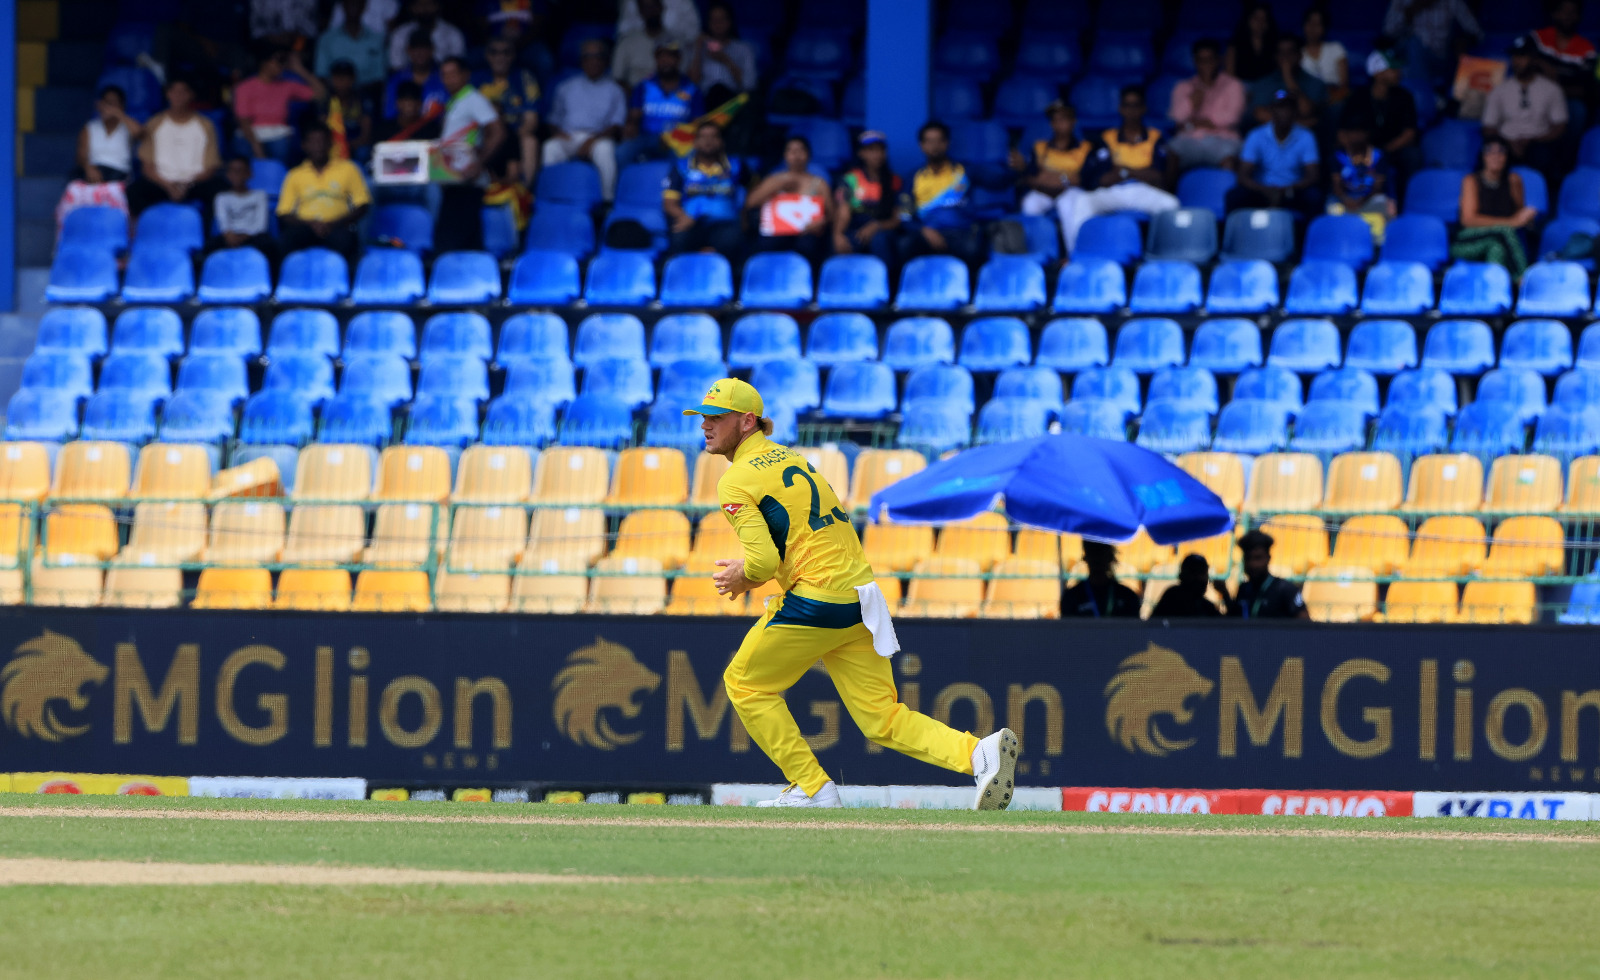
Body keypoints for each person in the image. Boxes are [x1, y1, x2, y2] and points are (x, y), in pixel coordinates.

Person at [685, 376, 1020, 810]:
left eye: (716, 417)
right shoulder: (793, 458)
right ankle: (978, 754)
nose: (705, 425)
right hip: (861, 598)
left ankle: (812, 788)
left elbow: (764, 562)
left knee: (745, 684)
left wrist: (742, 578)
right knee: (882, 718)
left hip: (816, 599)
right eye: (703, 417)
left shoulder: (735, 480)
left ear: (747, 421)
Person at [1062, 87, 1180, 252]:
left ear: (1143, 108)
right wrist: (1141, 171)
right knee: (1082, 201)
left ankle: (1164, 255)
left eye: (1136, 105)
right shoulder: (1108, 137)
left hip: (1142, 191)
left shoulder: (1155, 137)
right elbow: (1101, 179)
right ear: (1120, 108)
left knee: (1171, 205)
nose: (1131, 111)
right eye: (1127, 105)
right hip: (1114, 191)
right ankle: (1077, 252)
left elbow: (1158, 177)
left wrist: (1124, 171)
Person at [126, 78, 227, 220]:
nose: (178, 96)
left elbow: (210, 167)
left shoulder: (206, 125)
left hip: (193, 183)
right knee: (134, 191)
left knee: (220, 191)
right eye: (174, 91)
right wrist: (168, 186)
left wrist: (186, 185)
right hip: (162, 183)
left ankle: (204, 238)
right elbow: (147, 167)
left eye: (183, 92)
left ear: (192, 95)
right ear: (168, 94)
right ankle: (151, 231)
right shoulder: (155, 123)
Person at [434, 56, 505, 253]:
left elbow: (498, 131)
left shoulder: (473, 99)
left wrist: (478, 163)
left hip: (467, 182)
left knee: (450, 244)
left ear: (466, 75)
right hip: (454, 180)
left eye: (453, 74)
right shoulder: (455, 101)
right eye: (444, 75)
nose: (448, 79)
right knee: (467, 243)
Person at [543, 39, 627, 202]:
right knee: (550, 147)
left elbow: (616, 124)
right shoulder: (566, 87)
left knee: (605, 150)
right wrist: (556, 133)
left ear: (605, 60)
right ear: (581, 61)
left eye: (598, 56)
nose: (593, 61)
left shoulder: (615, 89)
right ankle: (550, 196)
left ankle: (607, 200)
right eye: (588, 57)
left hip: (598, 138)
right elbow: (553, 119)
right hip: (569, 136)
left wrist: (592, 141)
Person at [276, 122, 370, 259]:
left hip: (337, 226)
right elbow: (283, 213)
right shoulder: (294, 174)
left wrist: (333, 223)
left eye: (322, 141)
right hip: (306, 227)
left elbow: (362, 205)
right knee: (285, 241)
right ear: (304, 145)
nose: (318, 146)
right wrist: (312, 224)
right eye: (313, 142)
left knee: (348, 241)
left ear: (330, 144)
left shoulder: (349, 168)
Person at [1483, 34, 1568, 185]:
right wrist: (1508, 142)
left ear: (1534, 59)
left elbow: (1560, 126)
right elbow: (1489, 126)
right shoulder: (1500, 90)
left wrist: (1533, 140)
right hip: (1507, 142)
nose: (1517, 61)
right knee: (1490, 155)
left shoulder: (1551, 89)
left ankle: (1539, 203)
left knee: (1544, 156)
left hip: (1538, 142)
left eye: (1522, 56)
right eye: (1515, 56)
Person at [1227, 90, 1322, 222]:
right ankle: (1232, 237)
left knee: (1314, 197)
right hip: (1262, 190)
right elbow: (1243, 175)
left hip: (1292, 191)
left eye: (1288, 108)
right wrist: (1264, 190)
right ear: (1271, 110)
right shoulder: (1256, 135)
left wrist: (1288, 189)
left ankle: (1308, 239)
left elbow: (1313, 175)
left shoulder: (1306, 136)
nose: (1284, 113)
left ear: (1295, 112)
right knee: (1235, 196)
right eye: (1279, 108)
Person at [1450, 136, 1536, 278]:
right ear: (1482, 156)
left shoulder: (1514, 180)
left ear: (1507, 156)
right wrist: (1510, 223)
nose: (1495, 156)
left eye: (1501, 151)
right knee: (1504, 232)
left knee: (1497, 248)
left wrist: (1528, 217)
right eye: (1490, 151)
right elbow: (1468, 220)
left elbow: (1518, 216)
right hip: (1467, 241)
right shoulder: (1471, 180)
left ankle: (1493, 290)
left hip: (1501, 239)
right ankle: (1523, 279)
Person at [1338, 50, 1420, 193]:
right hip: (1361, 149)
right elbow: (1343, 132)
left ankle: (1406, 202)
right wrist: (1357, 152)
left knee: (1412, 155)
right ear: (1377, 73)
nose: (1398, 72)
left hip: (1393, 149)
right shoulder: (1358, 96)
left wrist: (1384, 151)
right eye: (1392, 69)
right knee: (1339, 155)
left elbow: (1409, 133)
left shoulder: (1405, 96)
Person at [901, 120, 982, 264]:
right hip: (927, 232)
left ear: (947, 143)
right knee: (905, 245)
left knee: (973, 248)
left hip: (960, 232)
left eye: (939, 141)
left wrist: (1017, 169)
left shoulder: (965, 171)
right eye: (930, 142)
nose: (935, 146)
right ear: (922, 145)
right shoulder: (913, 177)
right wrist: (924, 230)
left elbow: (998, 179)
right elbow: (905, 215)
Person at [664, 120, 744, 257]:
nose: (708, 141)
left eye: (714, 136)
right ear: (695, 142)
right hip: (691, 221)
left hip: (723, 223)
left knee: (733, 241)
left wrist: (745, 212)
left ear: (721, 141)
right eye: (703, 137)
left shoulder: (736, 166)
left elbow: (754, 189)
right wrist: (684, 217)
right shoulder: (681, 167)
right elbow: (669, 203)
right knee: (679, 238)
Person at [746, 135, 831, 263]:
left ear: (808, 155)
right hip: (777, 234)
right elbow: (750, 203)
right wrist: (778, 186)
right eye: (791, 151)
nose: (796, 155)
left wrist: (821, 222)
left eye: (800, 150)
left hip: (807, 234)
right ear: (785, 155)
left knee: (808, 245)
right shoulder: (774, 179)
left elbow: (831, 214)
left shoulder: (819, 183)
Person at [232, 46, 324, 162]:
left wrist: (299, 69)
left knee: (280, 146)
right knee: (244, 151)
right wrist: (258, 149)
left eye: (283, 61)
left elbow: (321, 94)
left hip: (277, 134)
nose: (282, 65)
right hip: (250, 134)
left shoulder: (286, 85)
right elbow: (244, 122)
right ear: (264, 62)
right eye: (278, 60)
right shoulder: (245, 87)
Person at [618, 40, 702, 165]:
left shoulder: (692, 89)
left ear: (679, 59)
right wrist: (631, 125)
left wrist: (674, 137)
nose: (665, 61)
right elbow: (633, 117)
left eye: (670, 56)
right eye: (661, 57)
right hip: (646, 138)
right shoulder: (643, 86)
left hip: (679, 139)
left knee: (691, 154)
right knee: (621, 153)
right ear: (656, 59)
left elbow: (697, 123)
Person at [1168, 39, 1247, 169]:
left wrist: (1193, 123)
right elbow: (1177, 117)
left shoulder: (1233, 85)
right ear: (1195, 62)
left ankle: (1227, 189)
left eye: (1210, 59)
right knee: (1172, 153)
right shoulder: (1184, 86)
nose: (1206, 65)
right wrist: (1192, 101)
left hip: (1223, 139)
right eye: (1201, 60)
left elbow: (1232, 118)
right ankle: (1168, 189)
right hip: (1191, 139)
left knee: (1229, 157)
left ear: (1218, 60)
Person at [832, 130, 903, 266]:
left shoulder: (895, 181)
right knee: (844, 244)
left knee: (880, 241)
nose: (877, 155)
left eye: (880, 150)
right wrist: (838, 234)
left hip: (883, 228)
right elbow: (843, 211)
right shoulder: (850, 179)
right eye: (871, 150)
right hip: (856, 226)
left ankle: (885, 284)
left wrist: (876, 226)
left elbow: (898, 219)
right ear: (861, 153)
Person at [477, 36, 540, 178]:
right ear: (487, 56)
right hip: (485, 136)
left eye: (506, 52)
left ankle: (525, 192)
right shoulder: (477, 80)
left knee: (530, 141)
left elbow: (531, 121)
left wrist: (508, 140)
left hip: (516, 135)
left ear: (513, 55)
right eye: (494, 52)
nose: (500, 57)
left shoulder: (524, 78)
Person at [1535, 0, 1597, 139]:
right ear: (1554, 13)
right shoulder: (1537, 38)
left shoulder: (1586, 49)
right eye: (1563, 11)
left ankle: (1569, 160)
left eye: (1572, 12)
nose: (1568, 16)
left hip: (1566, 100)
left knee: (1577, 110)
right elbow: (1521, 66)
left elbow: (1585, 90)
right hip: (1535, 96)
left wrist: (1554, 83)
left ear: (1579, 16)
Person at [1383, 0, 1481, 88]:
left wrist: (1463, 40)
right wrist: (1411, 11)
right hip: (1406, 57)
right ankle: (1426, 98)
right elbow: (1388, 31)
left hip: (1440, 58)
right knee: (1414, 45)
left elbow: (1476, 32)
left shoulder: (1452, 1)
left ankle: (1424, 98)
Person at [1219, 529, 1308, 619]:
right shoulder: (1244, 589)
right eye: (1248, 558)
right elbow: (1235, 619)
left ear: (1268, 558)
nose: (1252, 564)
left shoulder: (1286, 590)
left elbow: (1305, 625)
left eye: (1258, 558)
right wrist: (1225, 594)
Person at [1247, 34, 1327, 127]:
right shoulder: (1264, 83)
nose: (1285, 57)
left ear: (1300, 55)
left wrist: (1289, 79)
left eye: (1290, 52)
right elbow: (1260, 114)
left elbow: (1307, 112)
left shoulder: (1315, 83)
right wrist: (1298, 124)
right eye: (1281, 53)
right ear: (1275, 57)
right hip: (1269, 137)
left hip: (1303, 138)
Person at [1328, 121, 1394, 227]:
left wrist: (1361, 201)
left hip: (1368, 200)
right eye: (1350, 132)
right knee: (1332, 205)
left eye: (1357, 132)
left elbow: (1378, 187)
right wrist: (1346, 200)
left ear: (1365, 134)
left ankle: (1378, 241)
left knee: (1383, 202)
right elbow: (1337, 186)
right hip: (1346, 200)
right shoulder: (1338, 157)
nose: (1354, 136)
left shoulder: (1378, 155)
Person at [211, 157, 276, 259]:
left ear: (249, 173)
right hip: (230, 236)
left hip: (253, 236)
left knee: (268, 245)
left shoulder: (260, 196)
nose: (236, 175)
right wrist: (229, 236)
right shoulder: (221, 197)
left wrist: (243, 238)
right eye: (232, 171)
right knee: (210, 247)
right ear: (227, 175)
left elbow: (260, 225)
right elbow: (223, 222)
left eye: (240, 171)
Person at [76, 85, 143, 184]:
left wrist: (118, 113)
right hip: (94, 170)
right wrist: (88, 168)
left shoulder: (127, 127)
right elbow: (81, 155)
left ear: (121, 106)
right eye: (105, 102)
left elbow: (139, 133)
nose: (108, 107)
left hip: (119, 172)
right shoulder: (90, 127)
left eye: (112, 103)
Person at [690, 2, 757, 99]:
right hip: (706, 100)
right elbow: (692, 83)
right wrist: (698, 50)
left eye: (722, 19)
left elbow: (750, 84)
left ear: (730, 21)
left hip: (733, 100)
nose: (718, 24)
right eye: (714, 20)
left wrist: (725, 60)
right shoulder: (700, 47)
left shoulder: (744, 49)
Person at [316, 0, 388, 89]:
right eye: (350, 2)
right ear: (343, 5)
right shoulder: (326, 39)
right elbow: (321, 75)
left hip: (366, 95)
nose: (353, 6)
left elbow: (379, 78)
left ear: (364, 6)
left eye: (357, 2)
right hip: (334, 95)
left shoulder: (376, 40)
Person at [614, 0, 684, 90]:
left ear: (661, 7)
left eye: (654, 6)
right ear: (640, 11)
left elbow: (685, 75)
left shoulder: (676, 41)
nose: (651, 11)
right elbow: (617, 78)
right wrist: (634, 96)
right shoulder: (627, 42)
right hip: (635, 99)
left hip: (671, 99)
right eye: (646, 7)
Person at [1060, 541, 1141, 618]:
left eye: (1101, 554)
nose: (1097, 560)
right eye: (1093, 554)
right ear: (1086, 558)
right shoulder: (1071, 598)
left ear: (1110, 557)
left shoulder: (1128, 597)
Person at [382, 28, 447, 121]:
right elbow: (389, 114)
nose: (420, 53)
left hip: (439, 132)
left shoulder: (443, 77)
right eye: (415, 48)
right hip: (406, 132)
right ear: (408, 50)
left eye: (424, 48)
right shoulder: (396, 80)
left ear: (432, 49)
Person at [386, 0, 464, 72]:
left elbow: (458, 65)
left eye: (429, 4)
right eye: (420, 5)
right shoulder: (400, 33)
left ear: (437, 6)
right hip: (409, 81)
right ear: (412, 8)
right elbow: (396, 65)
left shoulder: (453, 33)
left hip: (445, 82)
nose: (425, 9)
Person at [321, 61, 372, 161]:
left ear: (352, 79)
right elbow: (322, 131)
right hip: (333, 146)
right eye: (337, 77)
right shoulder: (326, 101)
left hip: (356, 145)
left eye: (345, 77)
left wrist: (347, 145)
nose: (341, 81)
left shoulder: (362, 99)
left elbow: (366, 135)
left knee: (363, 152)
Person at [1299, 7, 1348, 104]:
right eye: (1310, 23)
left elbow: (1344, 84)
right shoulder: (1297, 53)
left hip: (1335, 98)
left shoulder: (1336, 49)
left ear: (1324, 28)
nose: (1313, 28)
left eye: (1318, 24)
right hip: (1308, 101)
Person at [1150, 554, 1223, 618]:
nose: (1198, 578)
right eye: (1194, 573)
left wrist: (1225, 594)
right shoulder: (1172, 597)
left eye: (1202, 574)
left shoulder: (1206, 606)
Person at [1227, 2, 1280, 83]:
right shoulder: (1235, 47)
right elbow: (1229, 77)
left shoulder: (1276, 46)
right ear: (1247, 20)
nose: (1260, 23)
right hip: (1242, 90)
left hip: (1269, 90)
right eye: (1256, 19)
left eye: (1264, 19)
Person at [373, 80, 441, 142]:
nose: (409, 104)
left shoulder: (430, 129)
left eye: (413, 100)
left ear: (420, 104)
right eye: (405, 100)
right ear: (397, 103)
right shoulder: (383, 130)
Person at [619, 0, 700, 44]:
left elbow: (693, 34)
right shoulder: (631, 2)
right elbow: (623, 32)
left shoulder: (683, 2)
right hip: (640, 51)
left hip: (674, 50)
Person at [250, 0, 317, 45]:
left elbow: (312, 29)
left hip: (302, 48)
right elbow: (256, 28)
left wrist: (296, 48)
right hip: (265, 47)